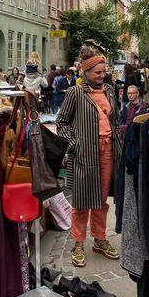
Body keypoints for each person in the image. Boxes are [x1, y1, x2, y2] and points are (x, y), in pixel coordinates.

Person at [56, 45, 122, 268]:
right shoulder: (75, 93)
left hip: (107, 151)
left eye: (104, 72)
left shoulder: (110, 91)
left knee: (102, 200)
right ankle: (77, 243)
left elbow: (115, 120)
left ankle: (100, 240)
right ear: (86, 72)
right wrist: (75, 144)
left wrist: (117, 142)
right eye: (98, 72)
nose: (102, 76)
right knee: (82, 201)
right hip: (85, 153)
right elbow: (62, 123)